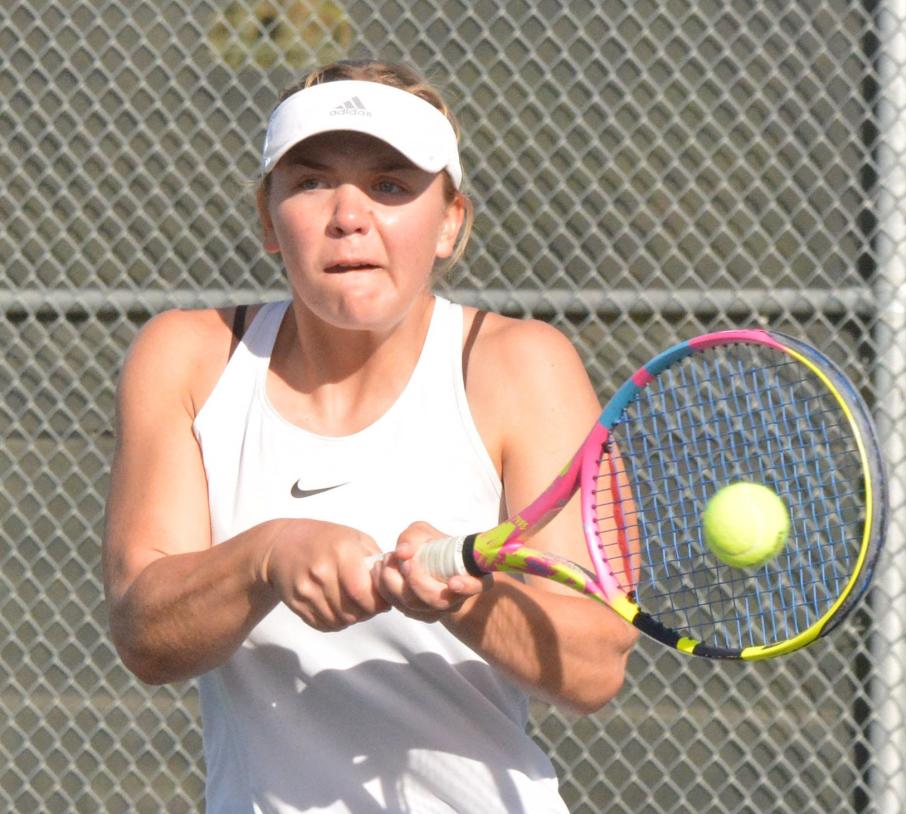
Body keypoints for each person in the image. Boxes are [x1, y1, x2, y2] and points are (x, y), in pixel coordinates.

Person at [102, 58, 637, 813]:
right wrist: (267, 556)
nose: (349, 214)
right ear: (267, 217)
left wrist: (460, 599)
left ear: (450, 221)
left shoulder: (524, 366)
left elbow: (594, 665)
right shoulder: (188, 358)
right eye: (313, 182)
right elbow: (145, 631)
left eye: (390, 186)